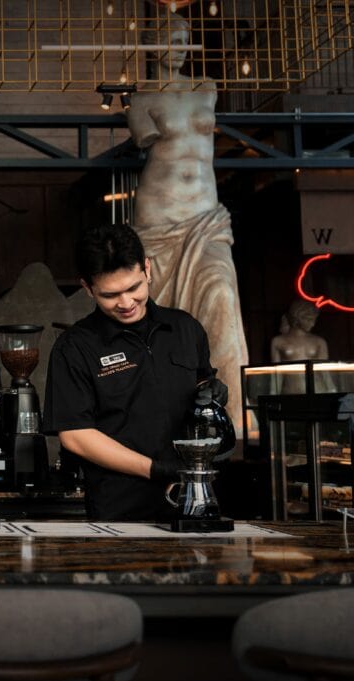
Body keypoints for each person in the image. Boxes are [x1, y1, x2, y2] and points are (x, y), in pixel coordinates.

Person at [42, 224, 229, 521]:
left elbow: (199, 389)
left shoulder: (184, 328)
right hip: (120, 511)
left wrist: (212, 390)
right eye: (110, 295)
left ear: (147, 268)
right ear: (88, 288)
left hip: (193, 504)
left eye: (134, 288)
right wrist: (154, 469)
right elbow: (76, 436)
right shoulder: (74, 348)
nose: (126, 303)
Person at [126, 11, 248, 431]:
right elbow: (143, 137)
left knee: (222, 296)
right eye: (170, 39)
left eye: (184, 40)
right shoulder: (142, 96)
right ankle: (158, 418)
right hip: (160, 218)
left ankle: (233, 415)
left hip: (206, 217)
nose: (178, 48)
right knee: (158, 318)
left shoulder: (207, 88)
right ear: (153, 44)